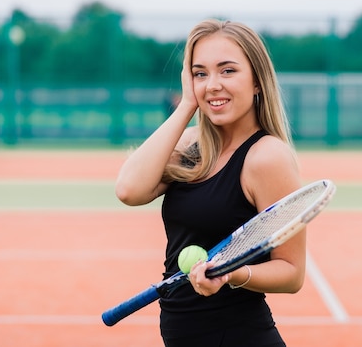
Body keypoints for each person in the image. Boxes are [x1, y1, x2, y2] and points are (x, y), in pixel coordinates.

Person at [115, 19, 304, 346]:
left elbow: (291, 272)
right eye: (200, 73)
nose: (212, 84)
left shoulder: (267, 157)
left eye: (227, 71)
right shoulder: (189, 144)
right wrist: (187, 104)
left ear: (257, 81)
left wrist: (231, 274)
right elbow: (129, 190)